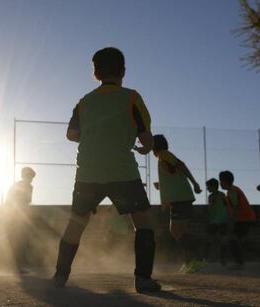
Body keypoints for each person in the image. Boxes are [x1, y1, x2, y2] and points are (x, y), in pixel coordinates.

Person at [52, 47, 161, 293]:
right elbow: (145, 137)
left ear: (95, 73)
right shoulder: (132, 97)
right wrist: (146, 146)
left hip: (87, 174)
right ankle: (143, 279)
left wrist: (94, 134)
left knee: (76, 224)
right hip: (122, 172)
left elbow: (71, 135)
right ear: (123, 71)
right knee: (143, 222)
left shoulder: (84, 102)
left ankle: (60, 276)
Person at [152, 134, 205, 274]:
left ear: (154, 145)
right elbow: (174, 175)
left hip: (181, 199)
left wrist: (194, 183)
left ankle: (198, 259)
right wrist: (162, 186)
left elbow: (181, 165)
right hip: (179, 199)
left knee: (176, 231)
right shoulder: (162, 157)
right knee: (181, 231)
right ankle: (190, 261)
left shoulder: (164, 154)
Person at [219, 170, 256, 269]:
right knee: (238, 239)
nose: (220, 183)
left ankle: (239, 263)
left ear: (224, 181)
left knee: (232, 238)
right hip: (244, 219)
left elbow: (236, 209)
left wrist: (231, 224)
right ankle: (239, 261)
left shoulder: (232, 191)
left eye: (220, 181)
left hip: (244, 219)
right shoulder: (232, 191)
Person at [5, 167, 36, 273]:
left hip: (18, 217)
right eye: (30, 176)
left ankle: (20, 266)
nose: (31, 179)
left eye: (31, 177)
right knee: (18, 241)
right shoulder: (22, 186)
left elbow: (25, 202)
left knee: (20, 241)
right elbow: (22, 202)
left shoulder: (24, 186)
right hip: (15, 217)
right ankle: (18, 267)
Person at [204, 178, 231, 266]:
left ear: (214, 186)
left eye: (208, 187)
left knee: (222, 241)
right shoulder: (211, 197)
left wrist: (228, 217)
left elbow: (226, 206)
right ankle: (204, 259)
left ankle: (223, 261)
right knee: (209, 240)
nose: (207, 189)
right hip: (214, 222)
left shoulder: (221, 195)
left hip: (222, 221)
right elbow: (210, 209)